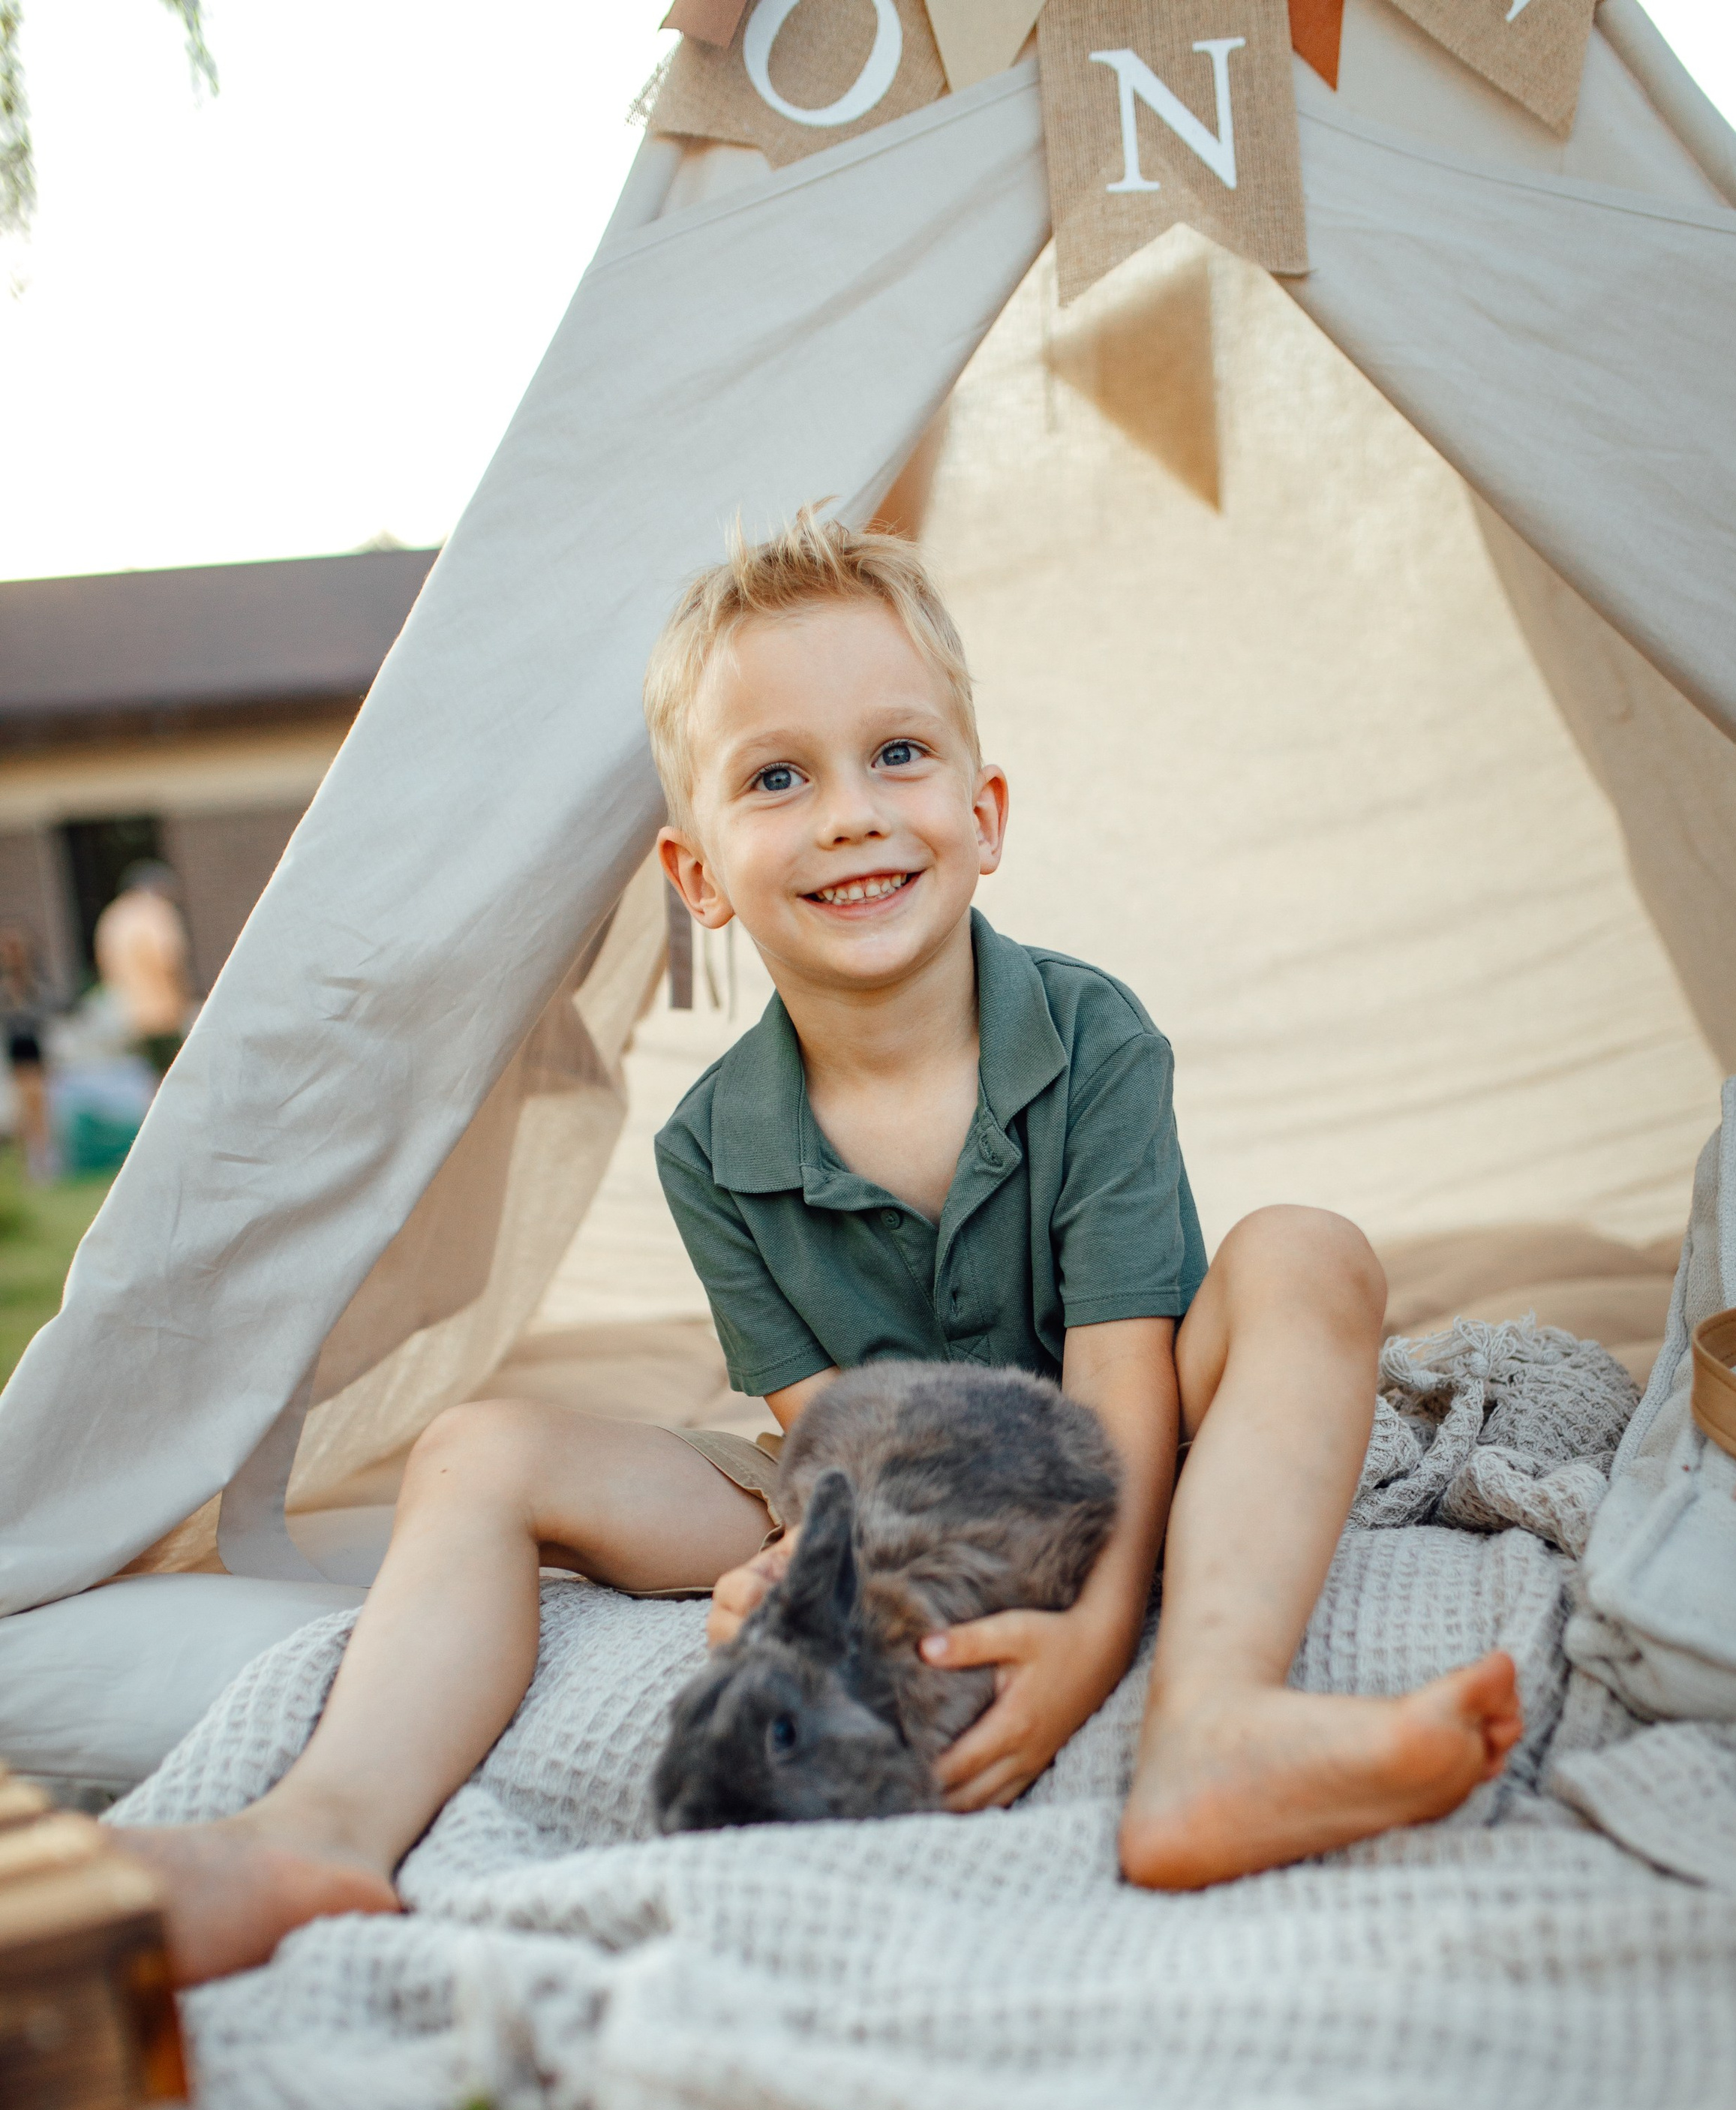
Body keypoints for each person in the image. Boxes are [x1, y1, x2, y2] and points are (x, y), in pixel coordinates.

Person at [125, 512, 1529, 1989]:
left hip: (1131, 1431)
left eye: (897, 756)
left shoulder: (1091, 1036)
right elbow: (838, 1443)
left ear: (984, 815)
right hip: (895, 1480)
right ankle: (315, 1830)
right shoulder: (710, 1147)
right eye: (778, 776)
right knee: (475, 1449)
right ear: (698, 871)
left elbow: (1121, 1387)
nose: (850, 813)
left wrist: (1095, 1637)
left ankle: (1212, 1725)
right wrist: (814, 1580)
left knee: (1303, 1250)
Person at [94, 861, 193, 1074]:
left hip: (129, 1011)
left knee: (151, 1074)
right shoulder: (156, 912)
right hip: (164, 1010)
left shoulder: (113, 916)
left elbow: (104, 962)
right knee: (179, 1071)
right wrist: (183, 996)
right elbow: (168, 959)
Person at [0, 924, 57, 1181]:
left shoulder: (33, 982)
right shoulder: (5, 985)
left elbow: (43, 1010)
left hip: (33, 1047)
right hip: (14, 1051)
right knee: (22, 1108)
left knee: (40, 1105)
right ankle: (27, 1166)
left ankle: (44, 1161)